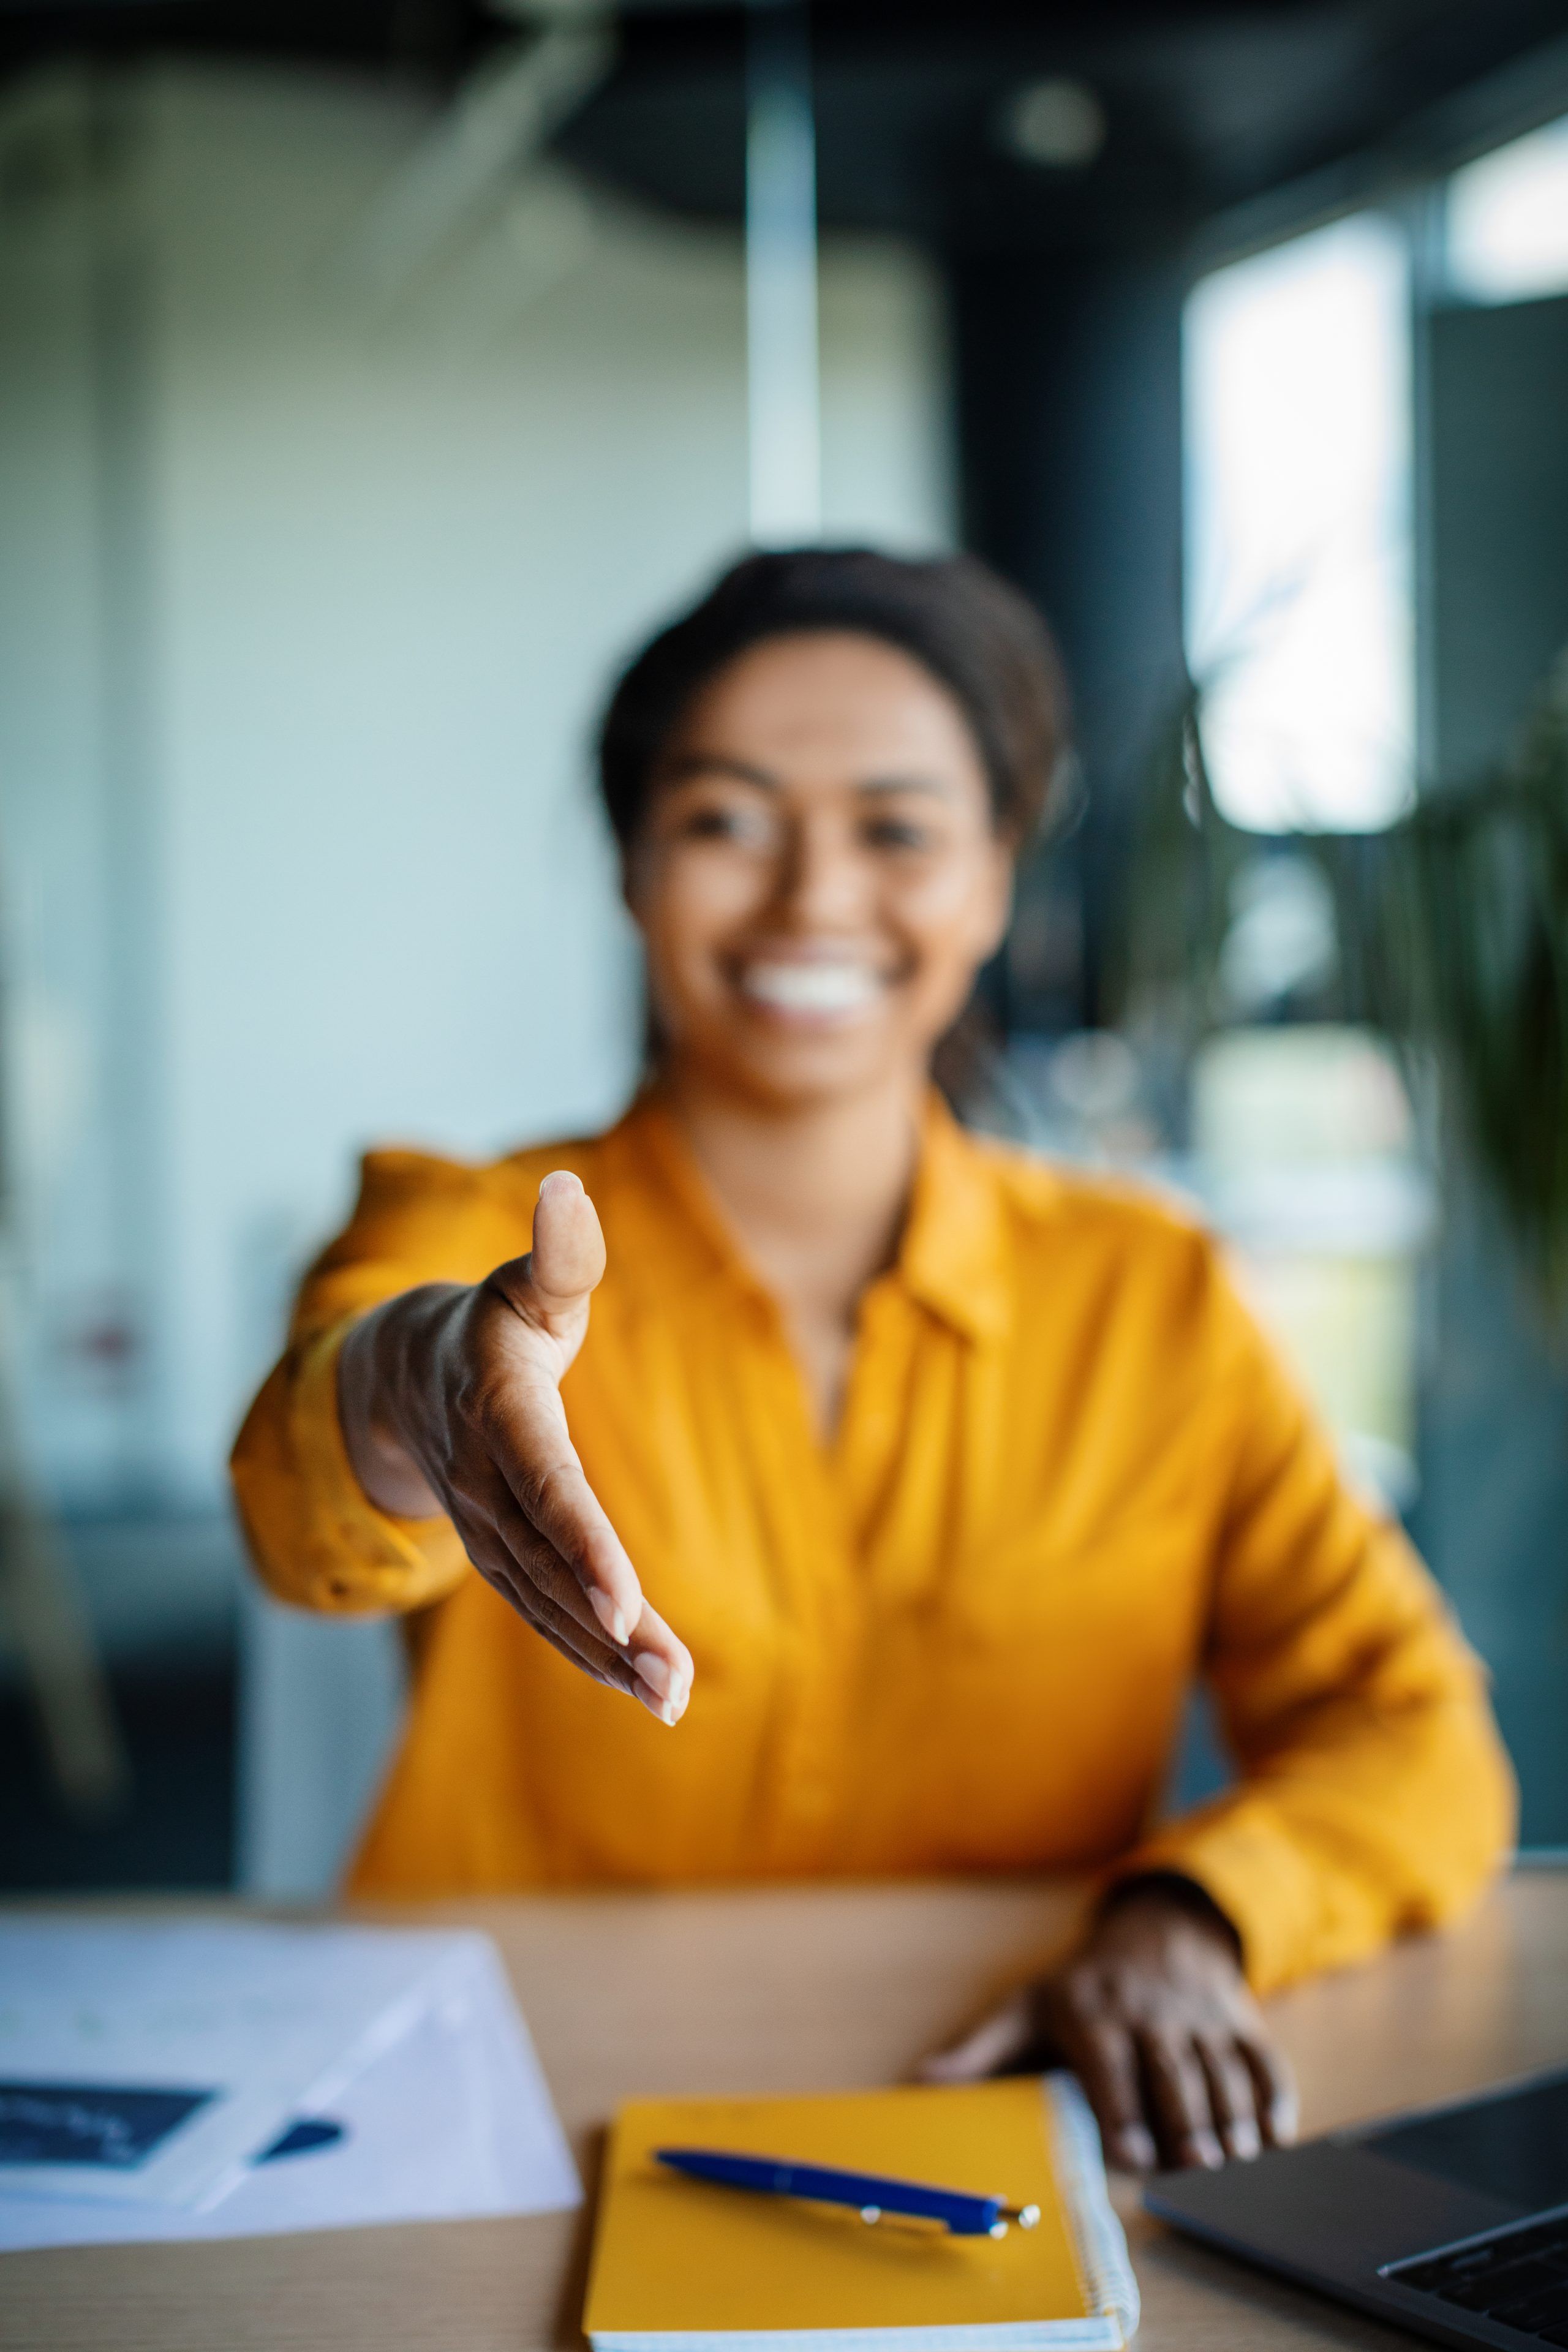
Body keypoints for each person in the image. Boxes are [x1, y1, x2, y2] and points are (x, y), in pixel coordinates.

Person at [233, 547, 1513, 2176]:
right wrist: (418, 1379)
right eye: (726, 821)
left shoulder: (1149, 1298)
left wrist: (1198, 1914)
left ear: (994, 879)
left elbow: (1415, 1736)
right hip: (507, 2122)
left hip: (998, 2121)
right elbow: (299, 1509)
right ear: (633, 865)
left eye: (897, 831)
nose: (813, 899)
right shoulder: (463, 1225)